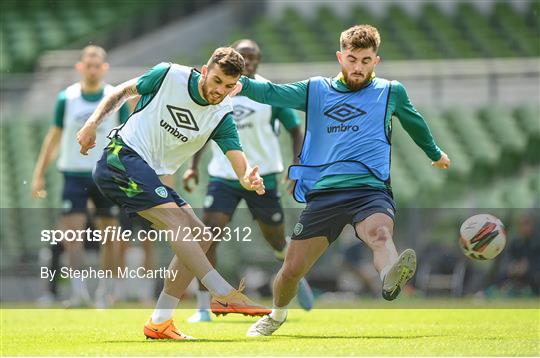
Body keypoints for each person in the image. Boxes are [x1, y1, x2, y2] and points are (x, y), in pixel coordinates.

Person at [230, 25, 451, 336]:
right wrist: (238, 84)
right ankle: (276, 315)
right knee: (292, 270)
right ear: (339, 57)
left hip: (369, 190)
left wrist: (435, 152)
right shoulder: (315, 90)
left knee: (380, 234)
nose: (357, 67)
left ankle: (390, 273)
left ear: (376, 60)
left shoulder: (391, 92)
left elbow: (415, 122)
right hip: (325, 194)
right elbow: (271, 92)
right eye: (351, 59)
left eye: (365, 60)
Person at [77, 47, 270, 340]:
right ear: (205, 71)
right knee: (178, 225)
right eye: (217, 81)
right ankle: (222, 292)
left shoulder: (221, 114)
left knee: (202, 237)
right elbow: (121, 92)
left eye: (229, 86)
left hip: (148, 174)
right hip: (121, 157)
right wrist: (92, 123)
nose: (220, 91)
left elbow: (237, 158)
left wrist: (247, 177)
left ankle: (160, 322)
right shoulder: (169, 74)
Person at [182, 39, 314, 323]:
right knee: (208, 237)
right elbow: (208, 131)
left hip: (262, 177)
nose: (249, 61)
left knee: (276, 239)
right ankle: (204, 306)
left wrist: (297, 167)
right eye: (244, 56)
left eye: (253, 57)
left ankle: (292, 271)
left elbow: (296, 131)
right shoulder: (219, 92)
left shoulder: (270, 94)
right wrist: (193, 167)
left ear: (259, 61)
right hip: (223, 176)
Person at [32, 45, 129, 308]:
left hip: (105, 174)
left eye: (98, 65)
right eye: (89, 64)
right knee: (71, 236)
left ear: (104, 68)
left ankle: (105, 294)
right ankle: (79, 293)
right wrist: (39, 173)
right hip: (73, 175)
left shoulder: (115, 97)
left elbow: (127, 138)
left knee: (109, 236)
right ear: (80, 67)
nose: (93, 69)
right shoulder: (67, 98)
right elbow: (53, 137)